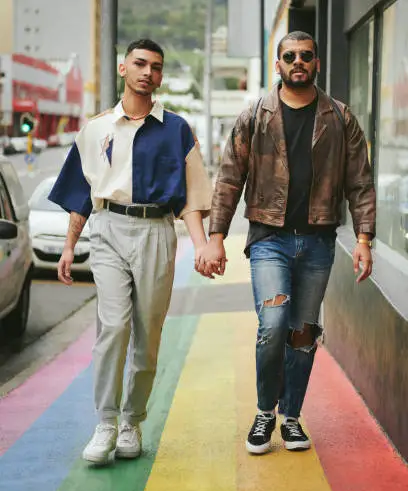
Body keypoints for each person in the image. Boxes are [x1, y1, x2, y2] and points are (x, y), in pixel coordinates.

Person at [199, 31, 376, 455]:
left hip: (317, 242)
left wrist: (365, 238)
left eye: (306, 56)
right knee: (274, 325)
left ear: (317, 63)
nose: (299, 61)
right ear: (277, 64)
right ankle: (265, 412)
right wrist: (216, 237)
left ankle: (291, 418)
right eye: (290, 56)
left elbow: (360, 181)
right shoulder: (255, 116)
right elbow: (228, 178)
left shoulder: (339, 117)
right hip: (268, 239)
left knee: (302, 333)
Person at [49, 39, 212, 464]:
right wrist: (69, 247)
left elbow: (192, 199)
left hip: (157, 231)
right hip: (107, 229)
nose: (147, 73)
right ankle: (105, 421)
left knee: (147, 332)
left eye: (156, 67)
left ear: (160, 77)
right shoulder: (96, 128)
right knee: (113, 326)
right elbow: (83, 193)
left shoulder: (177, 129)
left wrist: (201, 247)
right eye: (140, 64)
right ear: (123, 68)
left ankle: (131, 421)